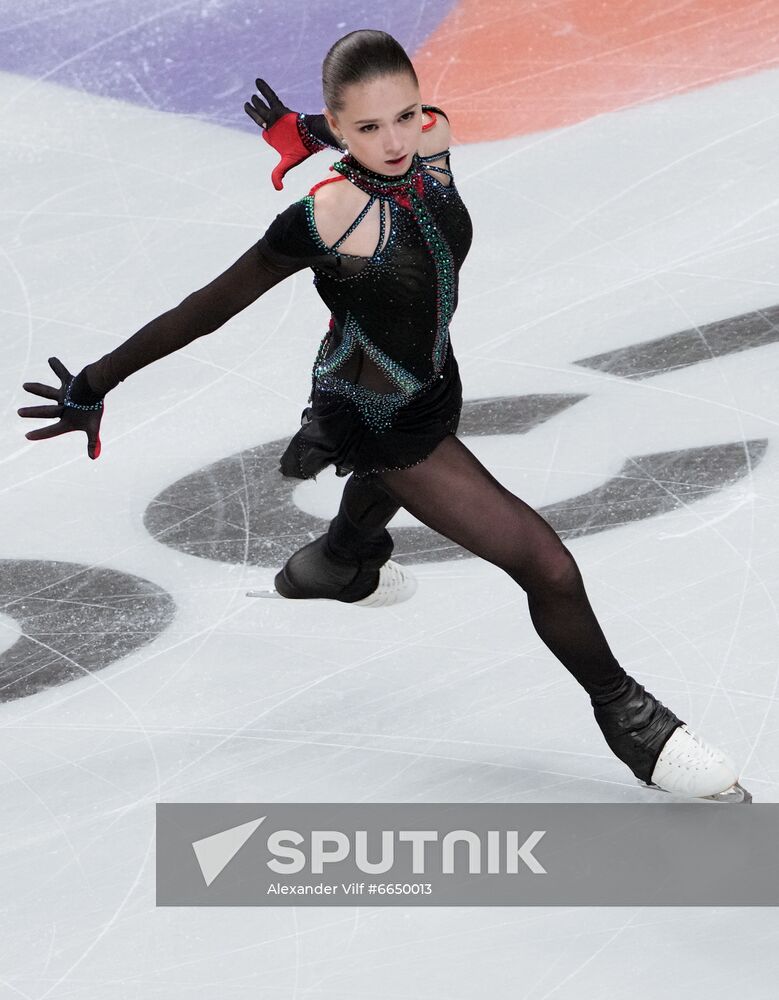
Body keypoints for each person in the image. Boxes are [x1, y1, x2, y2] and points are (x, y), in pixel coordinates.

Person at [17, 30, 750, 804]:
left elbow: (386, 132)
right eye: (367, 128)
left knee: (389, 497)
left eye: (401, 115)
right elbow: (206, 308)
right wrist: (97, 381)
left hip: (433, 377)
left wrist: (299, 128)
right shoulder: (325, 215)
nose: (396, 140)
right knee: (547, 567)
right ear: (340, 127)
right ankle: (636, 725)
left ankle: (338, 562)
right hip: (374, 408)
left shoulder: (431, 136)